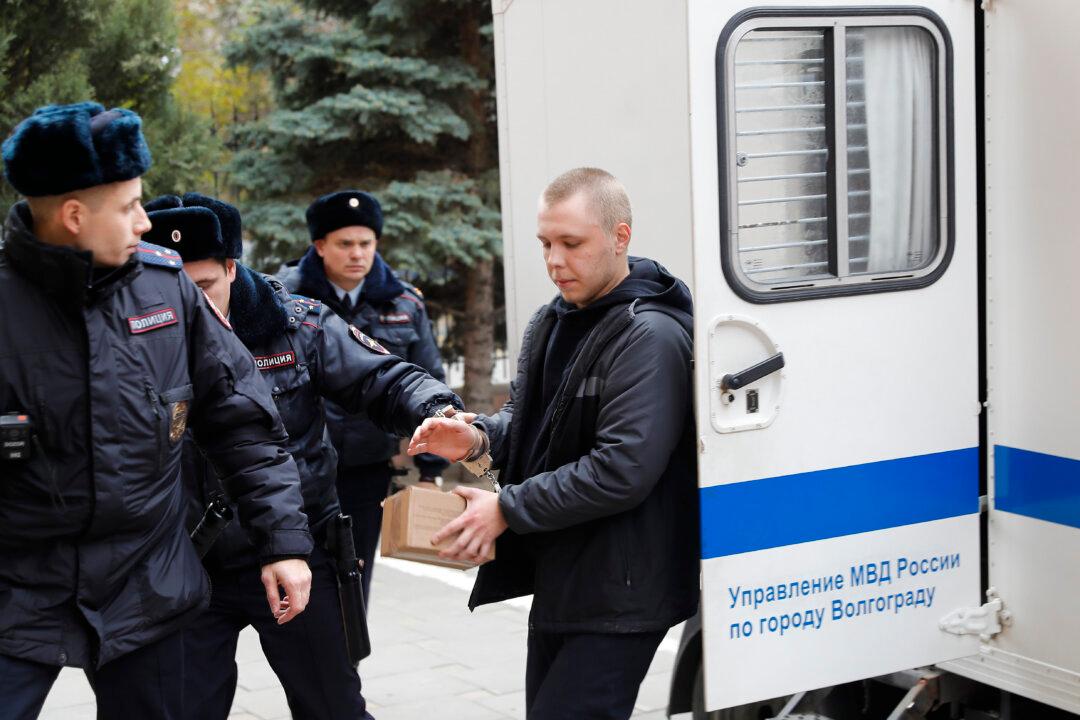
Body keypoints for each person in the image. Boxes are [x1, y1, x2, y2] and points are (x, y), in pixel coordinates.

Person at [0, 102, 313, 720]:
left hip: (150, 583)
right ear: (72, 216)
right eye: (127, 206)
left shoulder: (165, 287)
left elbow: (241, 421)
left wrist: (283, 542)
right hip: (18, 588)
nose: (145, 221)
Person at [142, 192, 463, 720]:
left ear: (231, 266)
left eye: (203, 288)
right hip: (187, 562)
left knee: (332, 705)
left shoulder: (295, 323)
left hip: (296, 549)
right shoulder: (140, 334)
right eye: (174, 292)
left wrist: (434, 408)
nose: (189, 308)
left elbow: (383, 376)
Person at [408, 167, 700, 719]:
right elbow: (527, 422)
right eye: (545, 243)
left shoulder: (651, 335)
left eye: (572, 243)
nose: (554, 261)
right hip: (564, 575)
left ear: (620, 237)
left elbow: (622, 468)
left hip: (622, 590)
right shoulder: (553, 320)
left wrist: (507, 508)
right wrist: (472, 439)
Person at [280, 190, 449, 603]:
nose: (357, 254)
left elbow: (426, 377)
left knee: (354, 579)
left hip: (366, 469)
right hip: (299, 470)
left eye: (365, 243)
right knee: (305, 578)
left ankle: (348, 663)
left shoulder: (405, 304)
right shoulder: (283, 298)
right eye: (344, 244)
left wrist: (429, 469)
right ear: (320, 246)